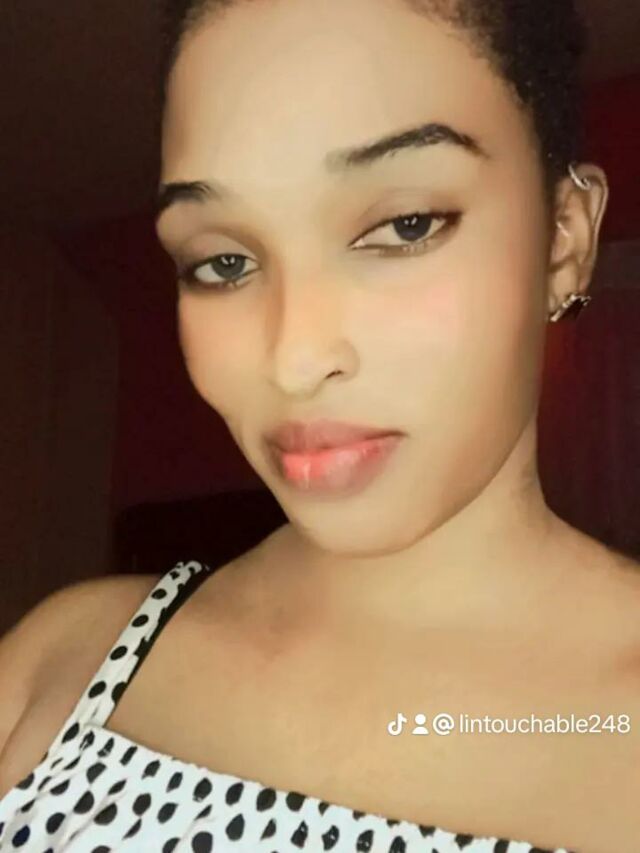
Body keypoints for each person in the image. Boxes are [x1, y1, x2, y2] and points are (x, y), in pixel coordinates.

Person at [0, 0, 638, 850]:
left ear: (564, 240)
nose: (294, 358)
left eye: (405, 226)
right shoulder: (65, 659)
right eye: (224, 261)